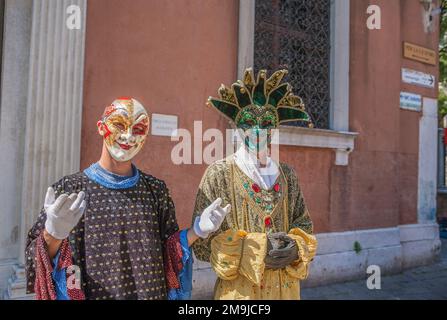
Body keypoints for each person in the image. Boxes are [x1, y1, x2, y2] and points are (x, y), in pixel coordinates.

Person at [25, 97, 230, 300]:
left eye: (138, 129)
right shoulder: (69, 190)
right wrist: (52, 234)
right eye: (119, 125)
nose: (129, 136)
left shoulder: (155, 190)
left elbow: (169, 252)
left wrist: (197, 231)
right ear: (100, 127)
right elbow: (36, 262)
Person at [191, 68, 318, 300]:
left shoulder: (287, 174)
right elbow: (201, 247)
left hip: (285, 291)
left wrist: (294, 247)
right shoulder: (219, 174)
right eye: (250, 122)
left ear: (275, 128)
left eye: (267, 122)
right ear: (239, 127)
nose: (259, 130)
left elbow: (304, 224)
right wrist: (255, 249)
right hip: (241, 295)